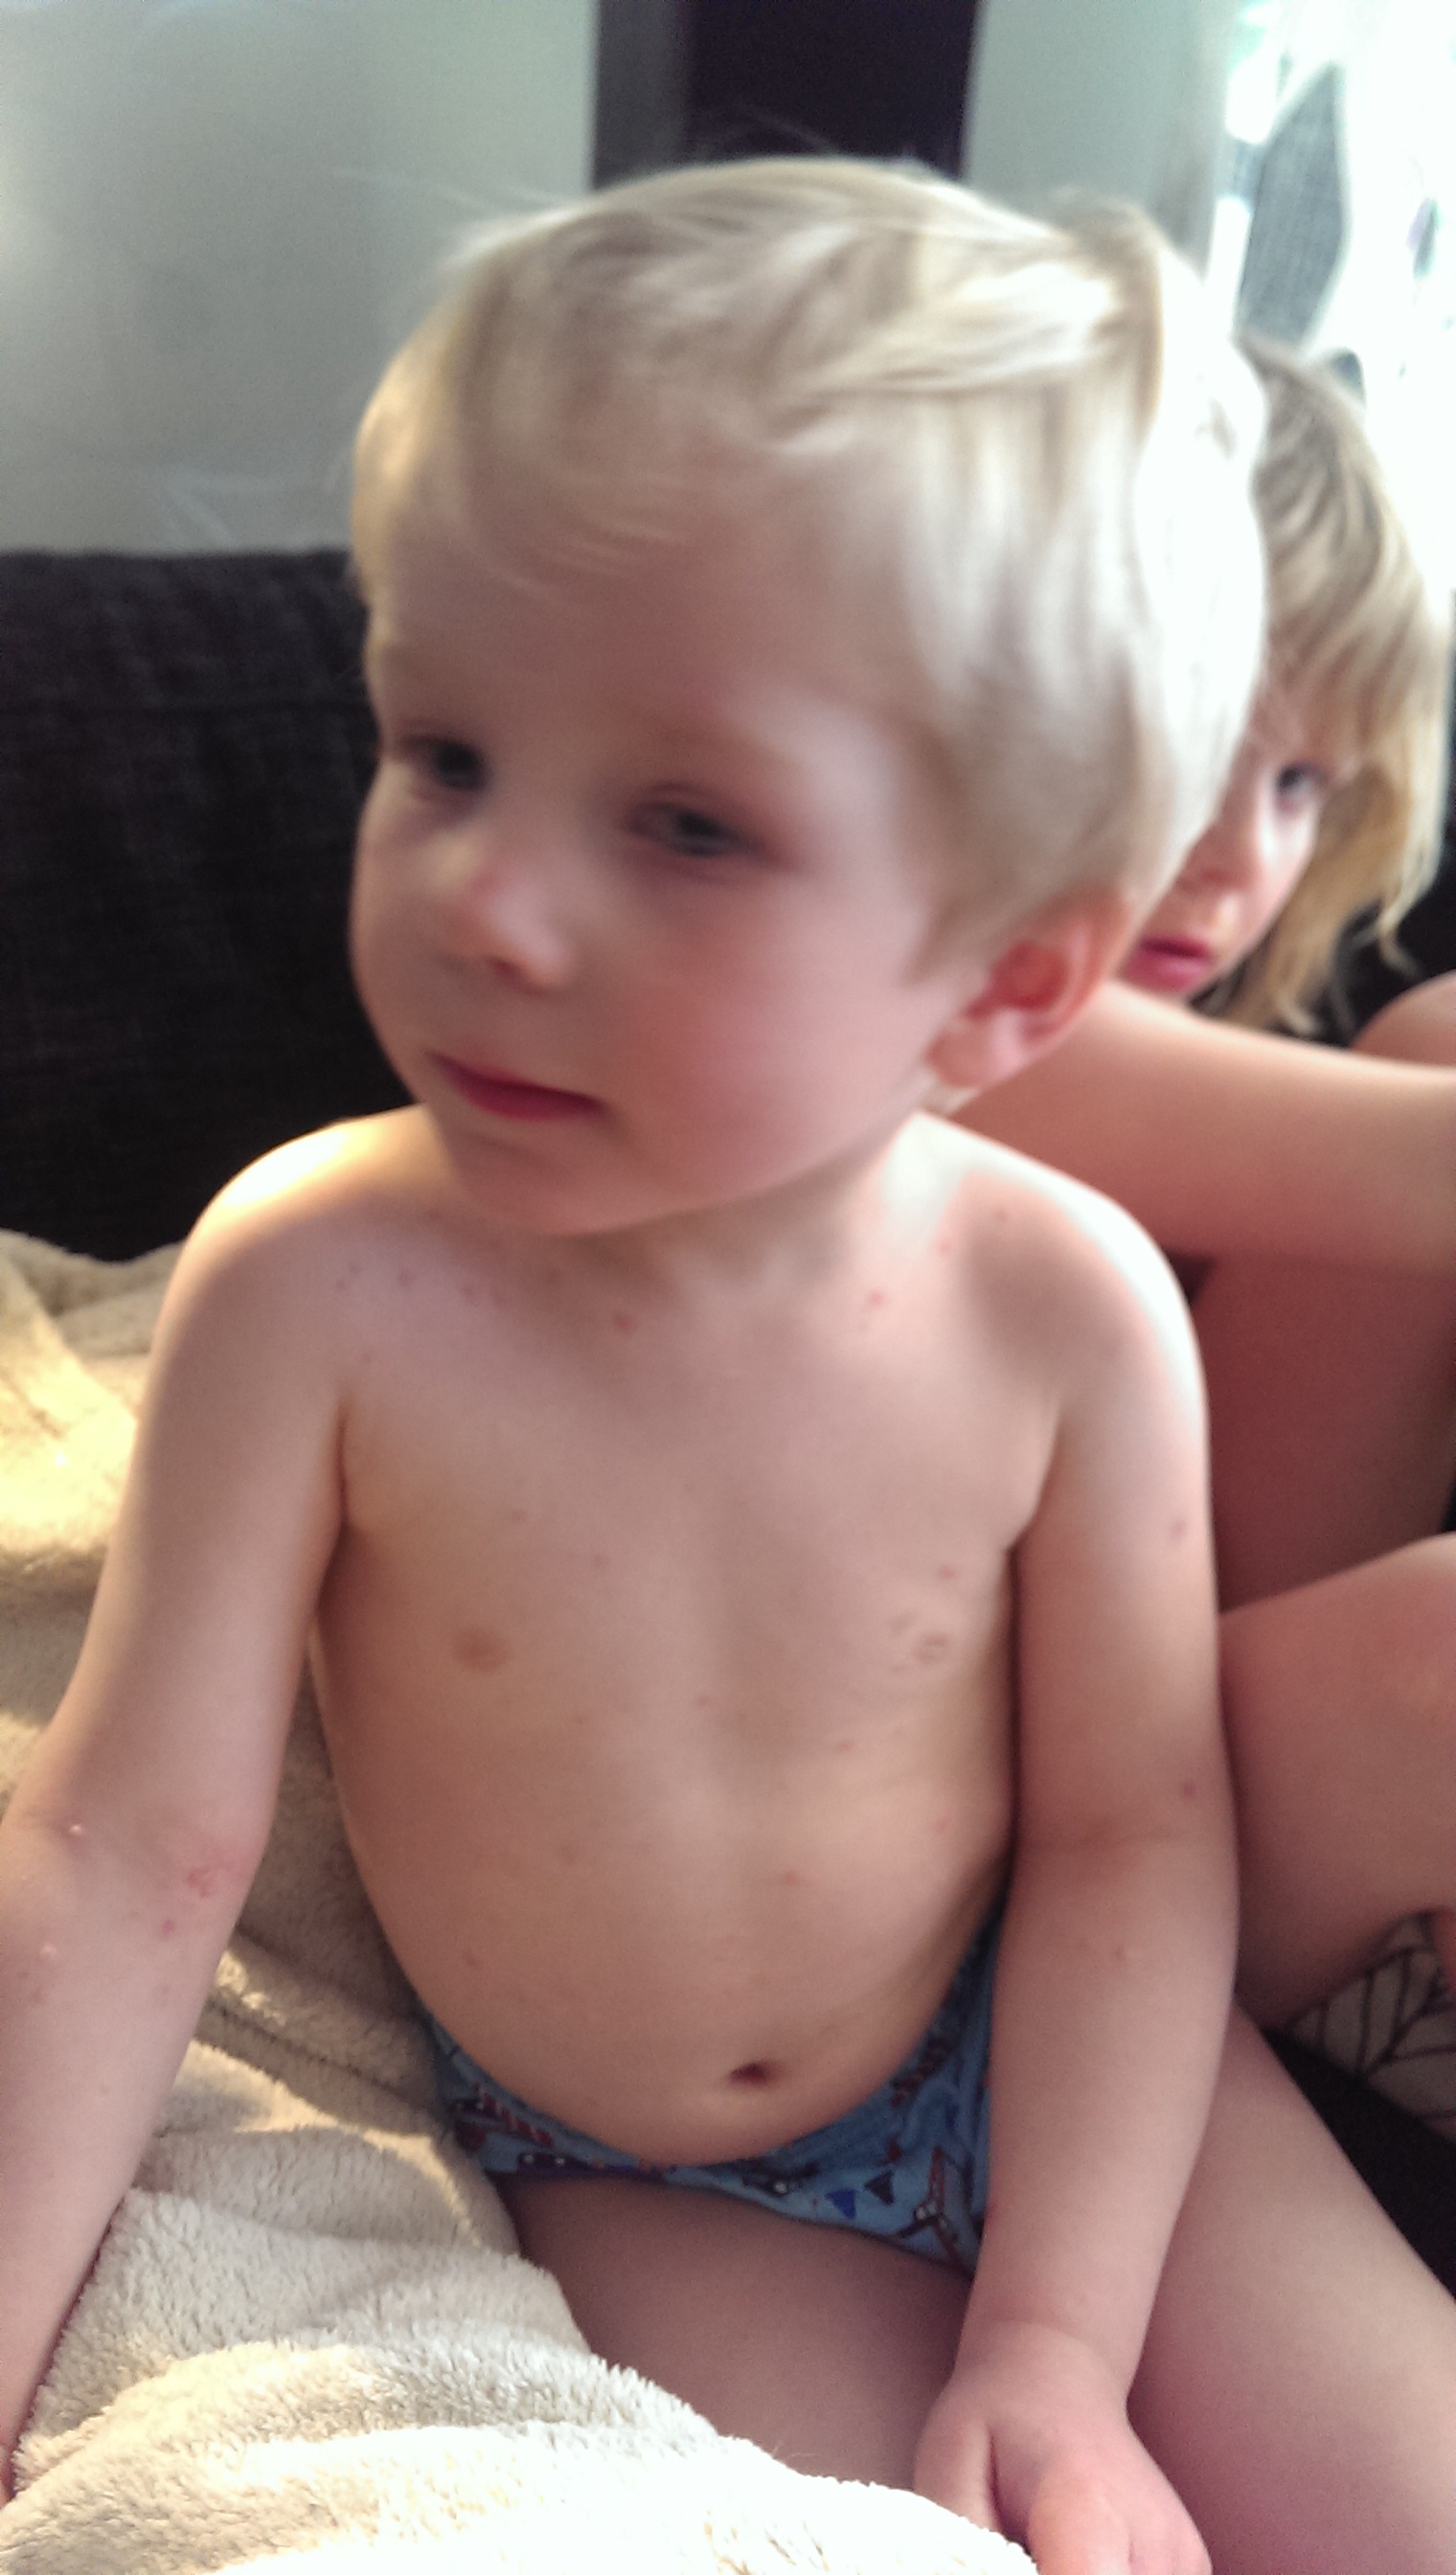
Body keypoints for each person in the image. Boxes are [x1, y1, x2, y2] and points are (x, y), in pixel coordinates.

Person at [2, 161, 1454, 2575]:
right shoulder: (310, 1284)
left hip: (1063, 2073)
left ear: (1011, 975)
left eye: (685, 823)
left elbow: (1129, 1834)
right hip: (650, 2168)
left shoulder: (1071, 1311)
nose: (483, 897)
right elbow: (125, 1847)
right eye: (443, 754)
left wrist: (1057, 2339)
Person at [961, 342, 1456, 2011]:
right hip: (980, 1881)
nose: (1245, 857)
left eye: (1303, 782)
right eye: (1187, 747)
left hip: (1175, 1782)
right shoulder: (904, 1040)